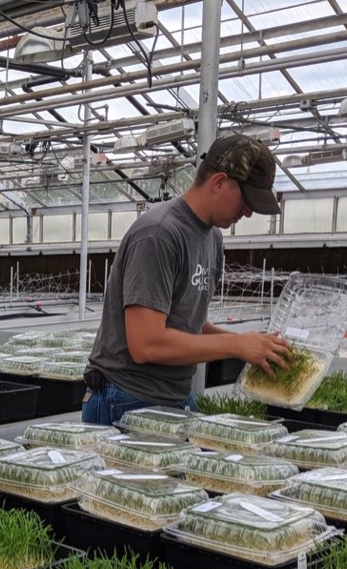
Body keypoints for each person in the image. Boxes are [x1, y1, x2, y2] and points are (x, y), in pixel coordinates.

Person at [82, 134, 292, 426]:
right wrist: (235, 347)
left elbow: (188, 324)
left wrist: (250, 345)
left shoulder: (211, 238)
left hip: (174, 397)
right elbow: (146, 344)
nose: (248, 212)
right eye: (246, 199)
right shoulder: (159, 235)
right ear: (218, 182)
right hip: (127, 399)